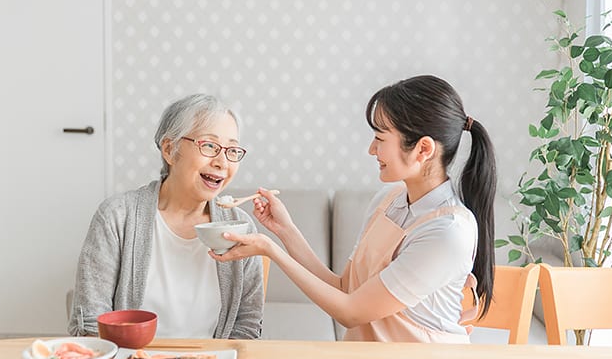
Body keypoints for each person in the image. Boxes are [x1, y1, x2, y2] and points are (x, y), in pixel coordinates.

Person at [212, 75, 497, 343]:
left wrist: (270, 250)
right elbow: (345, 290)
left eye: (381, 139)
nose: (372, 150)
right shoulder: (388, 201)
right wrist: (284, 231)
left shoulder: (448, 232)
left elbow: (350, 312)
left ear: (423, 150)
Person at [68, 94, 264, 339]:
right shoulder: (117, 217)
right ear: (170, 150)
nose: (222, 162)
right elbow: (90, 322)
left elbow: (246, 327)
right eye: (209, 146)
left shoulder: (241, 226)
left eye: (232, 150)